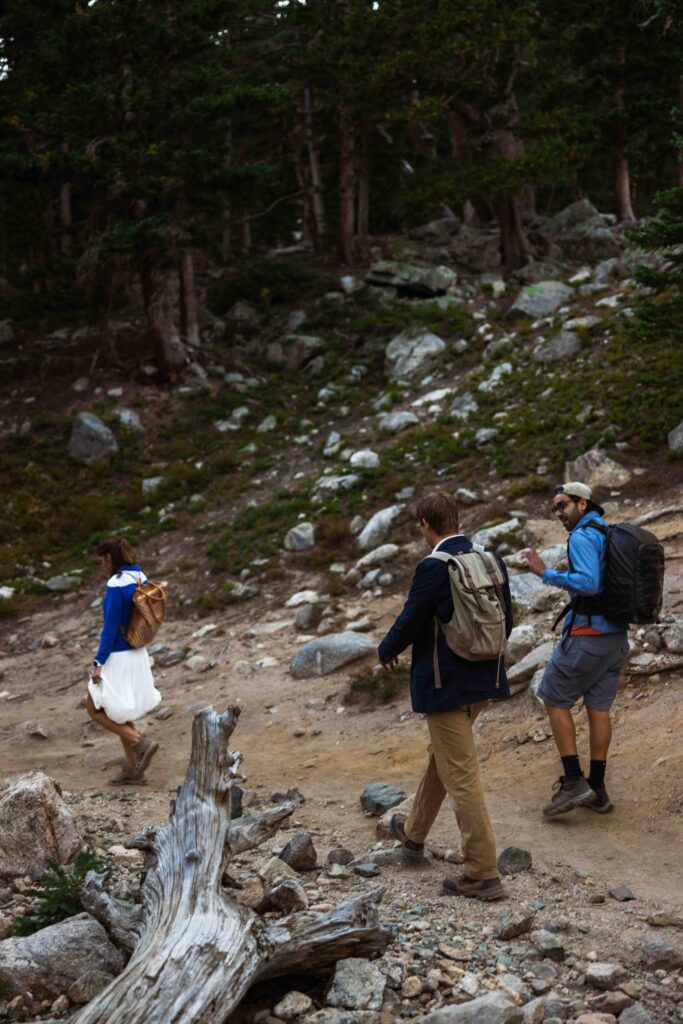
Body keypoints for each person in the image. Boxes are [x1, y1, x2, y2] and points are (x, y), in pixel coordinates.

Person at [377, 490, 513, 901]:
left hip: (445, 685)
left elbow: (412, 618)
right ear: (456, 518)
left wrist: (386, 650)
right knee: (445, 759)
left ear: (425, 525)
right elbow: (508, 614)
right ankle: (414, 835)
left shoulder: (434, 567)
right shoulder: (489, 559)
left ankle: (483, 872)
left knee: (462, 776)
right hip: (484, 680)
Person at [522, 482, 629, 817]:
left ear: (583, 503)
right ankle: (597, 789)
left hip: (586, 636)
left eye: (563, 505)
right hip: (614, 639)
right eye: (555, 508)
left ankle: (573, 781)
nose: (558, 513)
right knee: (598, 711)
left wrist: (546, 572)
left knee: (553, 698)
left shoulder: (583, 536)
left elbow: (589, 583)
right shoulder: (606, 532)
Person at [88, 537, 162, 785]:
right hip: (137, 650)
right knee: (118, 712)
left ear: (109, 558)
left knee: (95, 708)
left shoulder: (116, 583)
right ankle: (133, 770)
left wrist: (98, 663)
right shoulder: (140, 577)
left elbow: (109, 628)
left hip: (117, 655)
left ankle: (141, 743)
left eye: (101, 560)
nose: (101, 565)